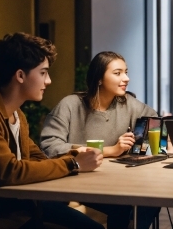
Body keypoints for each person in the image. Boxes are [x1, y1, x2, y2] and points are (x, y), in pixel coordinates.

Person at [0, 32, 104, 228]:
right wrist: (74, 163)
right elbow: (9, 172)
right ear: (20, 75)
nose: (48, 81)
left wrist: (75, 155)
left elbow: (36, 160)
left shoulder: (16, 114)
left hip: (12, 202)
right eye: (43, 73)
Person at [40, 51, 160, 229]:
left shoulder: (127, 103)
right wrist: (110, 150)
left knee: (149, 202)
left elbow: (156, 124)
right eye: (117, 73)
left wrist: (136, 143)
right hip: (73, 182)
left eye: (126, 72)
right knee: (122, 207)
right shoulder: (71, 105)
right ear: (99, 79)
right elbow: (50, 145)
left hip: (111, 184)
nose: (126, 78)